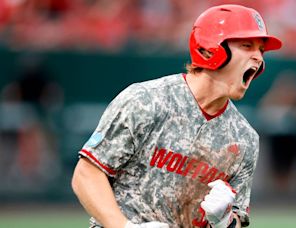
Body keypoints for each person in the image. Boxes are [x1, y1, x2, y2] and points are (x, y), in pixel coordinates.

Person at [71, 4, 282, 228]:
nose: (258, 57)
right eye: (247, 46)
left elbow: (238, 219)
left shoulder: (244, 138)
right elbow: (87, 173)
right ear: (211, 49)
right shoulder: (147, 100)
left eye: (261, 50)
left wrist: (225, 221)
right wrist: (124, 227)